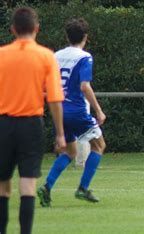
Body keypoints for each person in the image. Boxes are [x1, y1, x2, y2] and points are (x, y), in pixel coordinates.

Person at [0, 7, 66, 234]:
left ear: (13, 30)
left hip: (4, 124)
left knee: (2, 184)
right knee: (27, 183)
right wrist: (60, 133)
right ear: (37, 29)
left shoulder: (2, 55)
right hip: (31, 124)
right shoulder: (46, 56)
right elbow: (55, 99)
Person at [37, 18, 107, 206]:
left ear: (67, 37)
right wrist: (98, 111)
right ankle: (83, 188)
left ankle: (47, 187)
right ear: (86, 37)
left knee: (69, 151)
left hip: (59, 109)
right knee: (99, 146)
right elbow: (84, 86)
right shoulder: (85, 57)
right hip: (76, 110)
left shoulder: (55, 56)